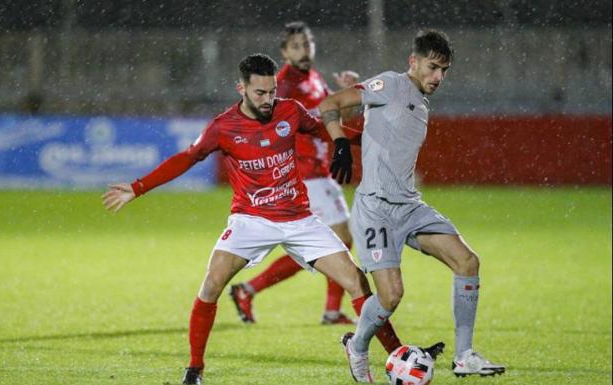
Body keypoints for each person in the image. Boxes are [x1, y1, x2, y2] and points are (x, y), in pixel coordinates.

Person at [101, 53, 406, 385]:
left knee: (356, 282)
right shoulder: (223, 127)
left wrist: (361, 141)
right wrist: (138, 187)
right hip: (251, 220)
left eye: (272, 91)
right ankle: (194, 369)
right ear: (241, 88)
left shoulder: (289, 111)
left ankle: (400, 356)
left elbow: (322, 128)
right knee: (212, 283)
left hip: (299, 219)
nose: (268, 100)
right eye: (260, 93)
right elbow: (187, 157)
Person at [319, 30, 506, 381]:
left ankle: (464, 355)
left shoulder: (421, 103)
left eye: (444, 70)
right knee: (390, 296)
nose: (438, 77)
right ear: (413, 62)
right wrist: (340, 143)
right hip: (375, 208)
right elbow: (329, 104)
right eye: (432, 67)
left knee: (467, 261)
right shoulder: (390, 84)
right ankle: (357, 345)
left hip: (408, 206)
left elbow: (386, 137)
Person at [228, 21, 361, 326]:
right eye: (296, 46)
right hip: (303, 174)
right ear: (285, 51)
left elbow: (337, 116)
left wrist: (348, 93)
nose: (304, 50)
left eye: (307, 44)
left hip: (319, 172)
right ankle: (327, 309)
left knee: (327, 244)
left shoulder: (314, 78)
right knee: (336, 241)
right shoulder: (283, 84)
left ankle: (250, 289)